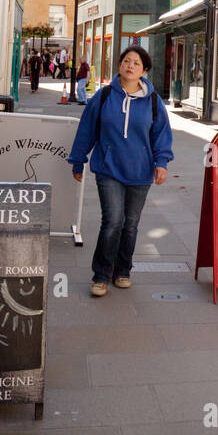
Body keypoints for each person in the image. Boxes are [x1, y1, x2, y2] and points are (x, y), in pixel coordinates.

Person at [68, 46, 173, 297]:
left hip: (140, 170)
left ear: (144, 71)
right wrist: (78, 160)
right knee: (113, 221)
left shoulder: (154, 102)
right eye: (126, 61)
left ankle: (123, 270)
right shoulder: (103, 97)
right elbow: (87, 130)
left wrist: (162, 163)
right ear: (119, 66)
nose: (130, 66)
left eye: (136, 63)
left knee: (131, 225)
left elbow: (161, 136)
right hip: (108, 168)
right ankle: (101, 275)